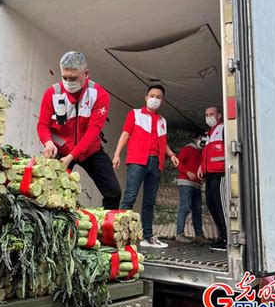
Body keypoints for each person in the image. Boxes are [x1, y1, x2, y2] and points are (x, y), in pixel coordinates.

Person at [37, 51, 121, 209]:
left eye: (73, 78)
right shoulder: (53, 93)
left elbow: (92, 132)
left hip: (90, 151)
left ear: (86, 73)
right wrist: (48, 142)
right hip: (60, 150)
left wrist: (72, 156)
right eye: (65, 78)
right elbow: (42, 124)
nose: (68, 82)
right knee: (50, 192)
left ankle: (105, 230)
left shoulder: (99, 95)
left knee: (113, 192)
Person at [113, 85, 179, 248]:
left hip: (155, 163)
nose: (154, 99)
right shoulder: (135, 114)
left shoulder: (162, 121)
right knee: (130, 197)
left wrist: (171, 154)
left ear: (162, 100)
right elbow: (125, 134)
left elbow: (163, 142)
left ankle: (148, 236)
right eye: (152, 95)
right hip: (137, 161)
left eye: (158, 97)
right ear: (146, 97)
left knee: (149, 202)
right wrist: (117, 154)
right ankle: (120, 235)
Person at [197, 106, 227, 251]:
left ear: (219, 115)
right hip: (209, 174)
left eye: (212, 114)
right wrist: (201, 167)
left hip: (219, 173)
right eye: (206, 114)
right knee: (211, 205)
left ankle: (227, 238)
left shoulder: (222, 130)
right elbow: (206, 155)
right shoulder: (208, 134)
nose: (209, 117)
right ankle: (222, 236)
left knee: (221, 206)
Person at [175, 130, 209, 244]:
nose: (202, 140)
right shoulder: (188, 149)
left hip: (196, 184)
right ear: (195, 140)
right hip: (185, 182)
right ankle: (179, 234)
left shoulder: (203, 152)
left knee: (197, 210)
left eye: (204, 138)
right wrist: (187, 172)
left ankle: (198, 235)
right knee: (184, 208)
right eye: (200, 138)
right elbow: (177, 162)